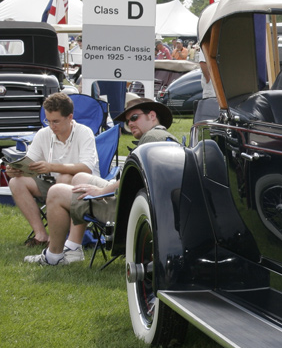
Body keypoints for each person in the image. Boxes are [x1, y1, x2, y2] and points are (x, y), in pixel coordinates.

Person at [24, 98, 176, 266]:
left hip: (127, 209)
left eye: (134, 118)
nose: (130, 124)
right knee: (79, 177)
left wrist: (101, 192)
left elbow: (134, 180)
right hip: (135, 200)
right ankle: (73, 247)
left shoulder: (152, 139)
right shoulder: (162, 137)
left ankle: (53, 257)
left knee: (56, 192)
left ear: (152, 116)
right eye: (127, 121)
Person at [8, 92, 99, 249]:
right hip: (52, 184)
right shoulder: (44, 134)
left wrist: (51, 167)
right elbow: (30, 163)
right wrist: (16, 169)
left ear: (70, 117)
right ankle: (41, 235)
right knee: (16, 182)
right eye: (48, 121)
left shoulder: (84, 133)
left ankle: (62, 239)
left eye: (55, 121)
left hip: (82, 189)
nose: (51, 126)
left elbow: (86, 168)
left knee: (64, 178)